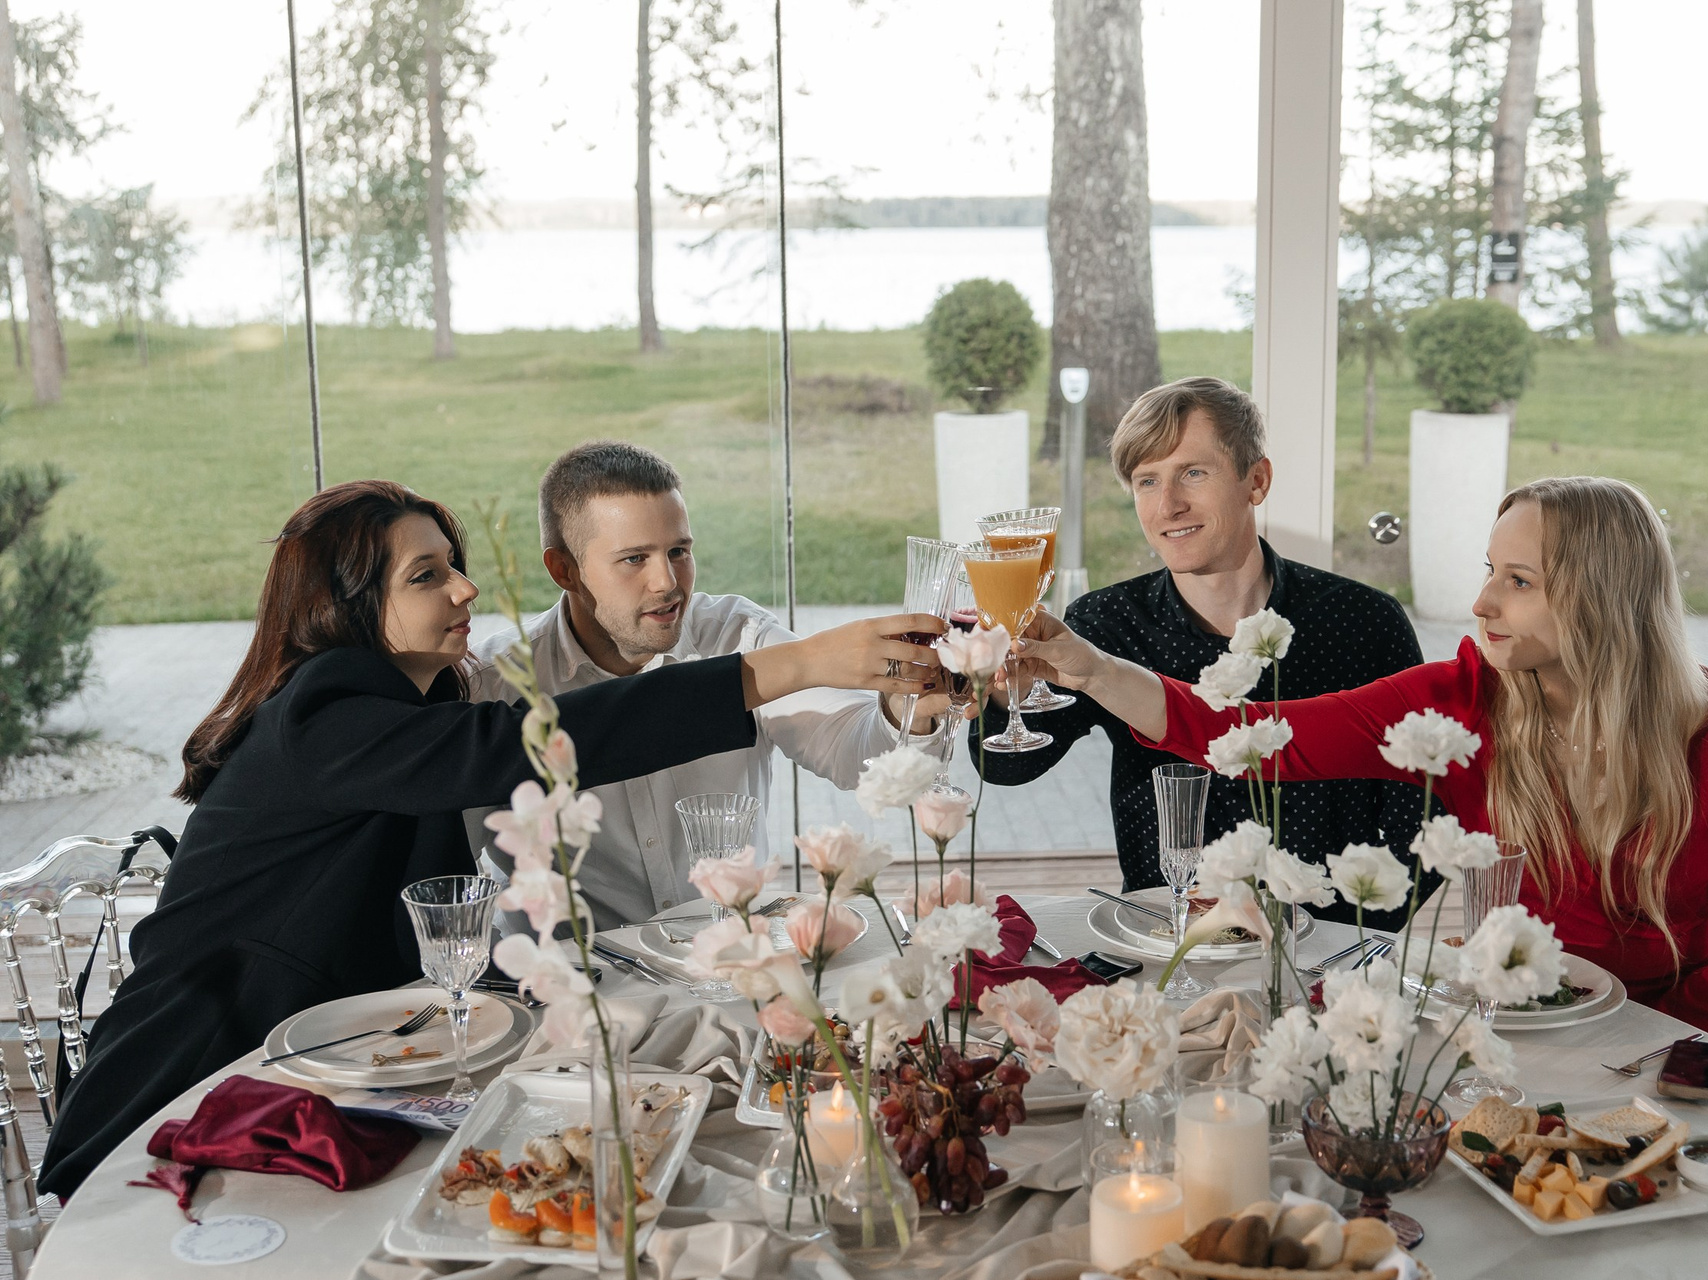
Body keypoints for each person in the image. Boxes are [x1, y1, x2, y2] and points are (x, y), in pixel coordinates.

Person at [40, 480, 946, 1197]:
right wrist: (797, 664)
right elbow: (531, 744)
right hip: (192, 1079)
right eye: (426, 575)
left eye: (456, 566)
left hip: (337, 1068)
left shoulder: (412, 704)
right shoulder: (324, 712)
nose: (465, 589)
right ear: (348, 604)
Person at [1017, 474, 1708, 1102]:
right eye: (1490, 571)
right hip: (1505, 1023)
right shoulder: (1463, 699)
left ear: (1602, 598)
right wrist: (1089, 668)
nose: (1482, 602)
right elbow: (1253, 740)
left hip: (1682, 1023)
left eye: (1519, 581)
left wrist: (1653, 1030)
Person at [972, 377, 1430, 929]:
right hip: (1164, 940)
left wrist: (1353, 941)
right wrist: (1008, 694)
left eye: (1193, 473)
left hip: (1320, 948)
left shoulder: (1363, 621)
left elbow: (1425, 810)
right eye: (1147, 481)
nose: (1168, 505)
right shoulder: (1108, 621)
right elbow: (1006, 767)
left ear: (1256, 480)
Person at [465, 441, 954, 929]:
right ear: (564, 570)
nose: (667, 582)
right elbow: (451, 874)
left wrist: (905, 713)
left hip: (733, 954)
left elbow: (859, 758)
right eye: (634, 559)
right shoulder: (495, 687)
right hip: (577, 971)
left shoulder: (737, 636)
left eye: (678, 551)